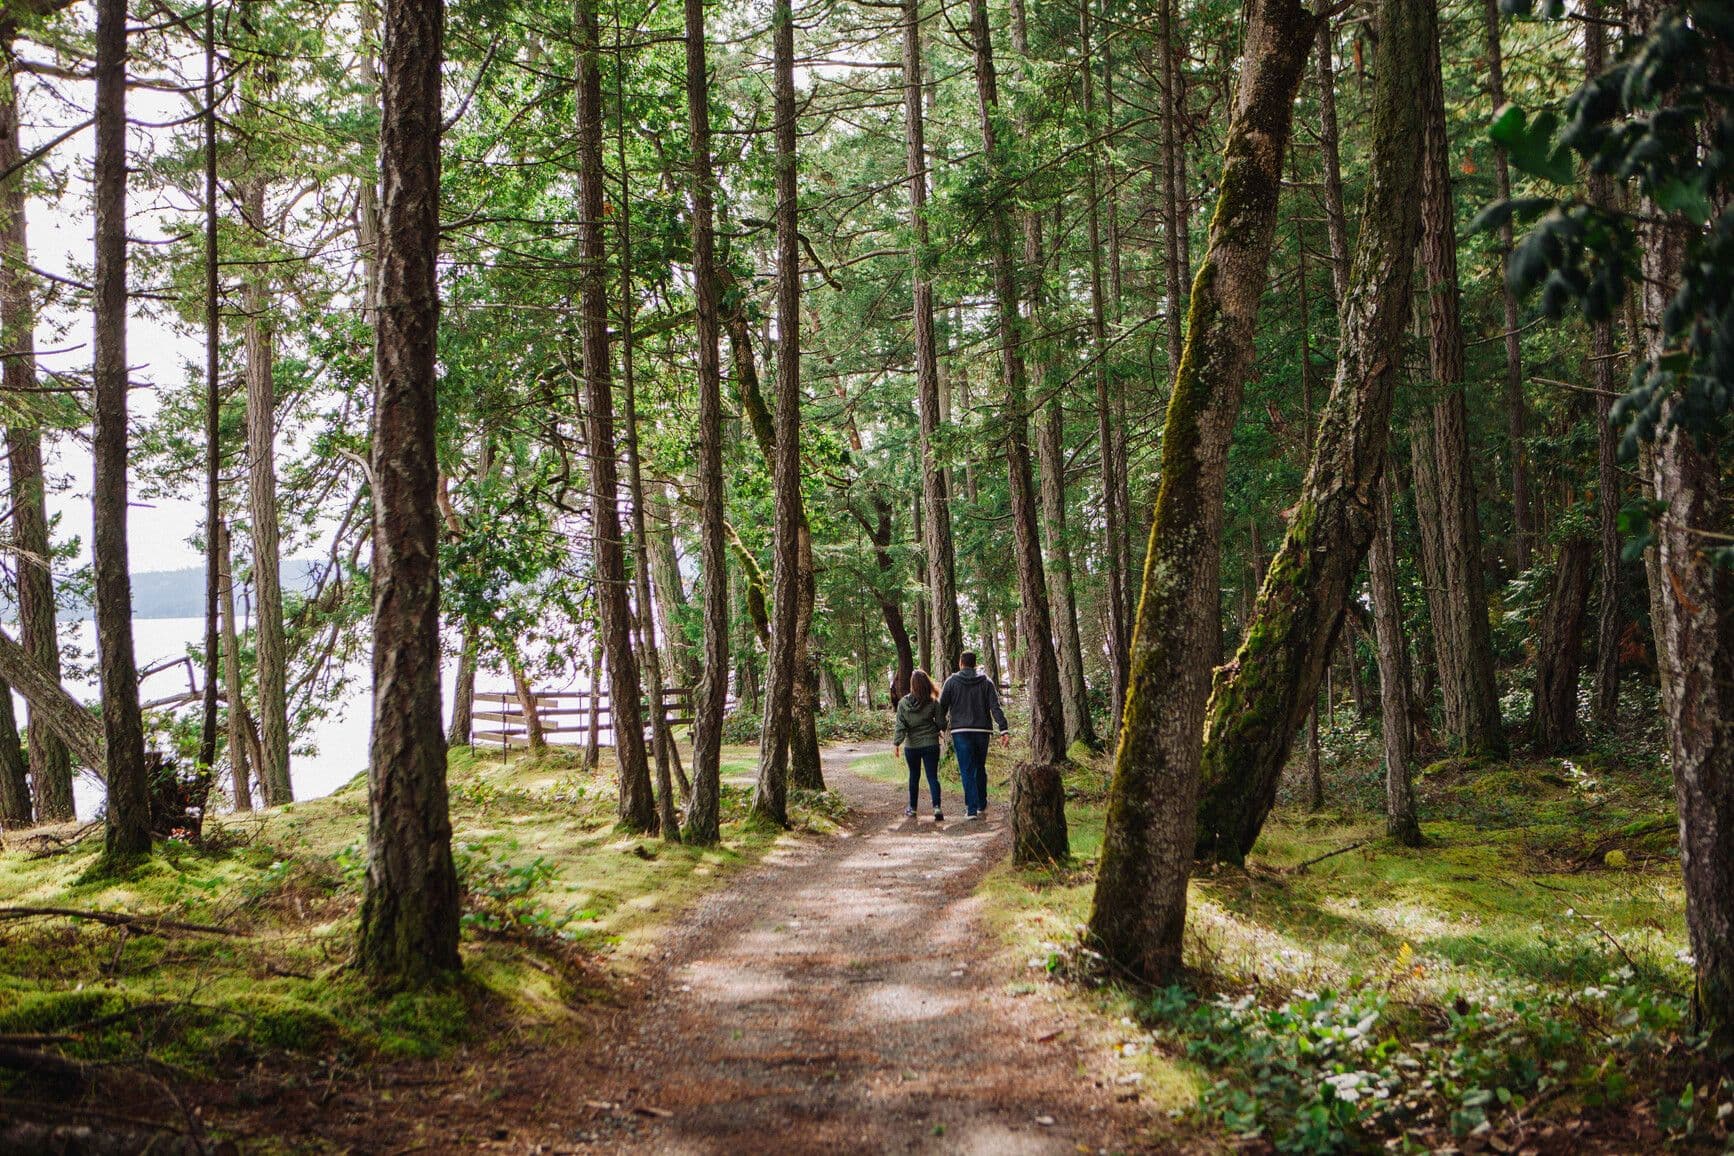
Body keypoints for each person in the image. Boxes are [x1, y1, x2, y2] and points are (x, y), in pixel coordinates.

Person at [937, 652, 1009, 820]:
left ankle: (971, 809)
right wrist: (1003, 729)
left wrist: (939, 727)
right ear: (975, 664)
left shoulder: (951, 682)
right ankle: (981, 803)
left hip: (960, 731)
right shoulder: (986, 682)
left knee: (967, 769)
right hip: (982, 731)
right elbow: (995, 707)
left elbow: (942, 707)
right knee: (979, 766)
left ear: (961, 663)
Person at [893, 669, 944, 822]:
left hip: (911, 746)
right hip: (931, 744)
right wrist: (935, 728)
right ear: (927, 683)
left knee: (914, 777)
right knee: (932, 777)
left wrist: (896, 743)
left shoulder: (903, 703)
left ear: (912, 685)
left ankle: (913, 809)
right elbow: (942, 723)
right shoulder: (933, 702)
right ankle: (937, 808)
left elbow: (900, 726)